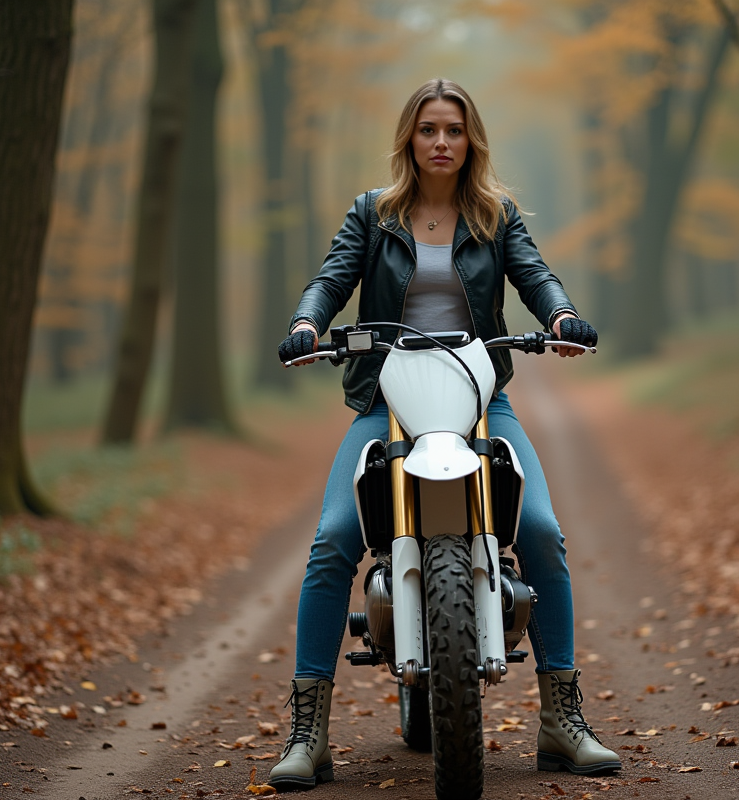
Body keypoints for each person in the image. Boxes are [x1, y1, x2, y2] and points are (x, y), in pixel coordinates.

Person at [270, 78, 618, 790]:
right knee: (334, 538)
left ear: (470, 140)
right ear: (409, 138)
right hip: (385, 400)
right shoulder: (374, 214)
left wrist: (561, 318)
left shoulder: (495, 216)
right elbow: (331, 278)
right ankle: (309, 733)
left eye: (453, 130)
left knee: (543, 531)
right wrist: (308, 321)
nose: (440, 142)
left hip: (479, 398)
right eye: (428, 129)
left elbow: (537, 277)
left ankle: (563, 719)